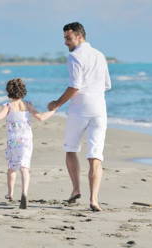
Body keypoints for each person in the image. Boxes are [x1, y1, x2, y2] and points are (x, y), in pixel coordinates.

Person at [48, 22, 112, 212]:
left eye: (68, 38)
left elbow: (75, 86)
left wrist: (56, 103)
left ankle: (76, 189)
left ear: (79, 36)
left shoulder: (74, 56)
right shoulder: (100, 55)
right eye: (65, 38)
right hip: (100, 109)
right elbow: (107, 85)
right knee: (95, 155)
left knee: (71, 149)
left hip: (80, 110)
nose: (65, 42)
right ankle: (94, 199)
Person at [0, 78, 55, 209]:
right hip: (26, 140)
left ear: (9, 92)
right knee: (24, 167)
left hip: (13, 140)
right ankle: (24, 193)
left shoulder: (8, 106)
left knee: (12, 167)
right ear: (23, 91)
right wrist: (53, 110)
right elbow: (41, 117)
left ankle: (10, 193)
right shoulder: (28, 105)